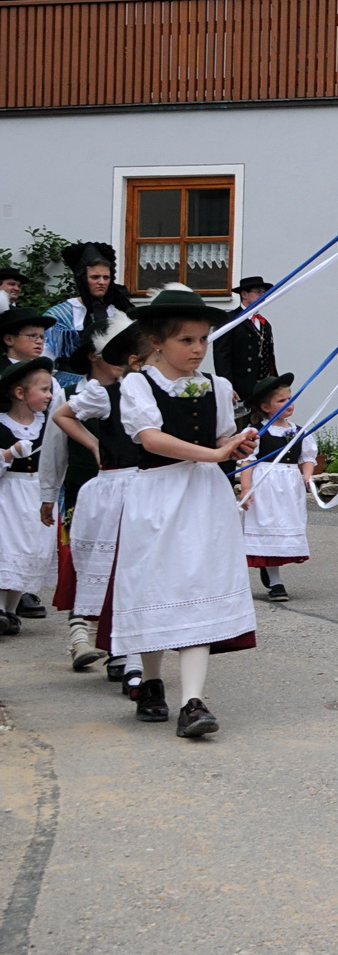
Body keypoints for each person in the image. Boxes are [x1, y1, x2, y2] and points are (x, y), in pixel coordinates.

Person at [110, 287, 259, 738]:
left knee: (199, 584)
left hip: (204, 498)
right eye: (187, 340)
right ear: (157, 342)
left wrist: (235, 445)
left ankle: (192, 701)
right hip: (158, 495)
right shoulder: (138, 383)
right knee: (155, 584)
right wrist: (215, 455)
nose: (198, 349)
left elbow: (219, 439)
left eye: (203, 339)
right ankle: (152, 680)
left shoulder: (218, 386)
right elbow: (151, 439)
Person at [49, 318, 144, 672]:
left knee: (133, 567)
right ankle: (90, 639)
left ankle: (125, 647)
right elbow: (58, 433)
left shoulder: (148, 391)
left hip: (142, 489)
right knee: (96, 564)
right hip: (98, 490)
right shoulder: (87, 394)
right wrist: (94, 445)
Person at [1, 306, 67, 622]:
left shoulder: (49, 386)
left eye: (42, 337)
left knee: (32, 541)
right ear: (9, 339)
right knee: (8, 540)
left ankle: (16, 601)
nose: (40, 342)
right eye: (32, 336)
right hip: (9, 488)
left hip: (35, 486)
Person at [237, 375, 315, 603]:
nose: (288, 404)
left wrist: (307, 476)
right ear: (265, 407)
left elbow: (307, 457)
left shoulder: (299, 431)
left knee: (284, 526)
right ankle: (275, 580)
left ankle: (272, 573)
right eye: (281, 401)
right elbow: (248, 461)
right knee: (266, 526)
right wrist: (246, 488)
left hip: (289, 487)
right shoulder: (255, 432)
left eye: (290, 399)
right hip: (265, 486)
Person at [44, 242, 133, 390]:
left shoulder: (118, 314)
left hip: (113, 386)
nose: (101, 282)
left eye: (106, 277)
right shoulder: (60, 315)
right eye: (95, 277)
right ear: (83, 279)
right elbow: (46, 358)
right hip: (70, 386)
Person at [213, 276, 278, 404]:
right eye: (258, 292)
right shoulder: (230, 320)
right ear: (244, 294)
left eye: (264, 292)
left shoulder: (265, 324)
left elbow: (269, 357)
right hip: (240, 389)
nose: (263, 295)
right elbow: (222, 356)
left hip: (263, 388)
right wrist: (227, 387)